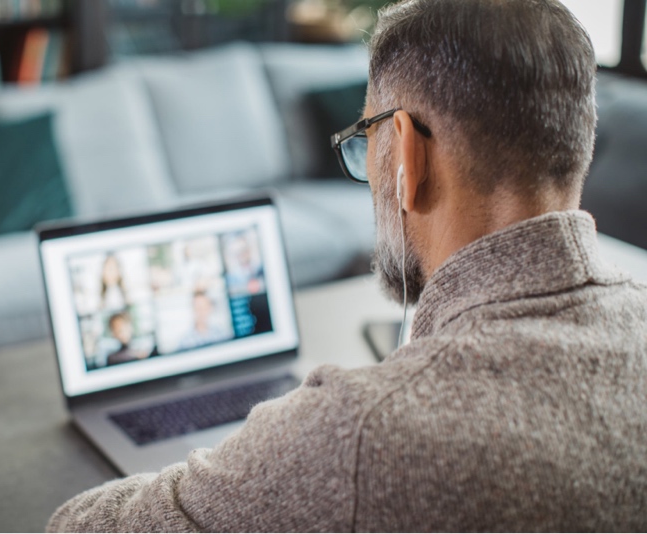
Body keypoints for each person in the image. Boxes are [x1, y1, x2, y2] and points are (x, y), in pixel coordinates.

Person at [48, 1, 647, 530]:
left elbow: (80, 527)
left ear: (406, 154)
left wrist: (256, 464)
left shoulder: (360, 431)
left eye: (367, 136)